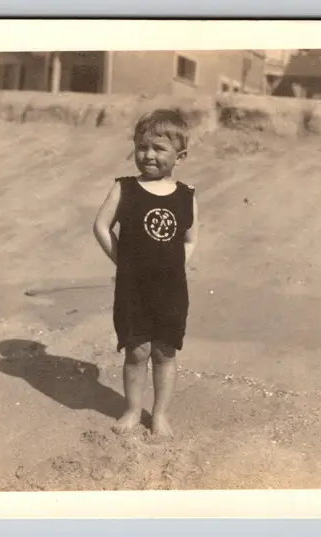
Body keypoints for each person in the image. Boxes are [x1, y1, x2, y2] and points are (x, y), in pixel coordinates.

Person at [93, 109, 199, 438]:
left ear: (180, 156)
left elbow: (191, 238)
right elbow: (100, 226)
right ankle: (131, 409)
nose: (148, 155)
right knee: (137, 351)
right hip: (133, 288)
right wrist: (120, 260)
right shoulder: (124, 188)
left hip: (171, 289)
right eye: (142, 147)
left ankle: (160, 414)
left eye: (158, 148)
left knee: (165, 351)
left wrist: (175, 264)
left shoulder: (186, 195)